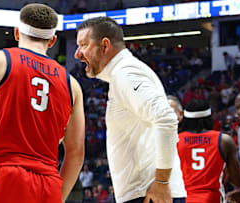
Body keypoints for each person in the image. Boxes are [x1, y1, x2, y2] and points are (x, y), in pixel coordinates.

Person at [0, 3, 85, 203]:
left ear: (16, 33)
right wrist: (57, 197)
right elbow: (76, 152)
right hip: (48, 185)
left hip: (3, 177)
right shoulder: (72, 85)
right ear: (52, 41)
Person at [74, 16, 186, 203]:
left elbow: (166, 118)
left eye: (83, 45)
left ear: (105, 45)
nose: (77, 53)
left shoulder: (126, 73)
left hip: (149, 194)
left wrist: (161, 181)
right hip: (146, 192)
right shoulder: (123, 73)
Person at [177, 99, 240, 203]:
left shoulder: (175, 140)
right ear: (209, 118)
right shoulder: (224, 141)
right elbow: (237, 181)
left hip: (184, 199)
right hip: (213, 199)